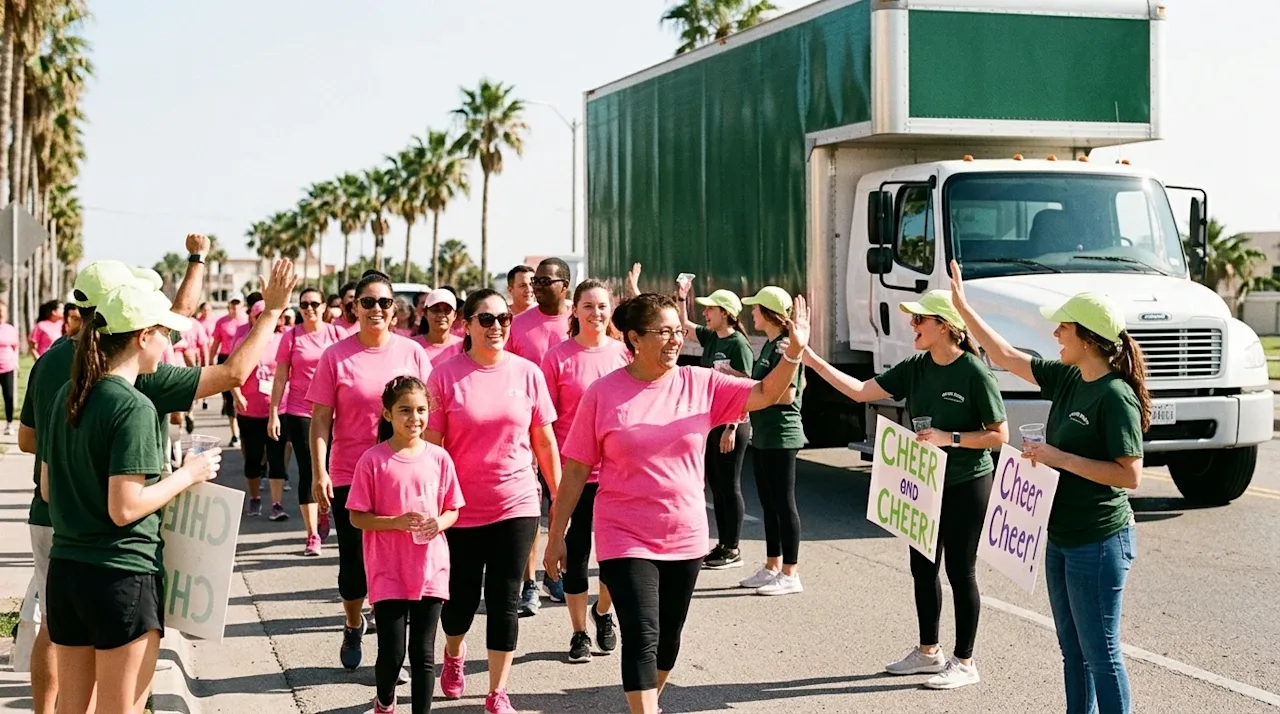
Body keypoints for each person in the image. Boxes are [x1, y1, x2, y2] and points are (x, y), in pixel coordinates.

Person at [544, 291, 811, 714]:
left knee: (668, 639)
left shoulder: (699, 382)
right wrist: (556, 536)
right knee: (642, 635)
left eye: (677, 331)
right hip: (623, 533)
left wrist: (793, 352)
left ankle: (651, 699)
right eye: (663, 332)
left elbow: (767, 393)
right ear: (633, 338)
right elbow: (576, 470)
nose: (674, 340)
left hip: (683, 536)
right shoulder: (603, 392)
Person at [949, 261, 1146, 713]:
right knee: (1072, 653)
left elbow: (1130, 475)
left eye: (1064, 327)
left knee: (1103, 655)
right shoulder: (1071, 377)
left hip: (1098, 542)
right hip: (1061, 539)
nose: (1056, 333)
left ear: (1089, 337)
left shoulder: (1115, 396)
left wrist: (1060, 459)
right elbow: (1003, 355)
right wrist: (964, 306)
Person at [804, 288, 1007, 688]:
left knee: (960, 571)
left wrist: (949, 438)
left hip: (967, 481)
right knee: (922, 567)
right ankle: (929, 652)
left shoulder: (973, 372)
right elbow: (861, 391)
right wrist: (809, 356)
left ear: (945, 327)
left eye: (919, 320)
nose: (911, 325)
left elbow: (998, 436)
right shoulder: (915, 366)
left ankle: (965, 662)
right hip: (924, 481)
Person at [39, 284, 222, 714]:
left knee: (71, 709)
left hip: (66, 573)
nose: (168, 347)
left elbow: (48, 490)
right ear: (143, 337)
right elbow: (124, 508)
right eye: (165, 335)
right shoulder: (134, 406)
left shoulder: (67, 396)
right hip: (120, 576)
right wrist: (186, 476)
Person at [426, 288, 561, 714]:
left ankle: (497, 692)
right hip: (461, 508)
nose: (498, 326)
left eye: (504, 319)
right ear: (467, 325)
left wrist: (559, 499)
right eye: (487, 319)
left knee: (505, 597)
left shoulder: (527, 373)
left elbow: (544, 441)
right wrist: (430, 505)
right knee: (461, 600)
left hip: (517, 502)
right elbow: (431, 445)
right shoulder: (445, 376)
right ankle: (453, 652)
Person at [308, 270, 433, 670]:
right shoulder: (336, 356)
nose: (376, 309)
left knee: (402, 562)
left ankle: (394, 650)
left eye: (383, 302)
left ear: (394, 309)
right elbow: (321, 420)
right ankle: (351, 621)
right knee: (354, 565)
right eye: (367, 302)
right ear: (354, 307)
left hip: (404, 472)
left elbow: (428, 413)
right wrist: (319, 471)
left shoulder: (412, 352)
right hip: (349, 472)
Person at [348, 376, 464, 714]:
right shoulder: (373, 460)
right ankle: (385, 702)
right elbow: (357, 517)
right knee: (392, 652)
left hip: (431, 567)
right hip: (388, 569)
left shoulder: (440, 458)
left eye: (421, 410)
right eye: (405, 411)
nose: (414, 418)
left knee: (424, 654)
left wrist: (438, 523)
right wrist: (394, 523)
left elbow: (453, 508)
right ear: (387, 414)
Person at [540, 279, 628, 663]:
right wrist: (551, 475)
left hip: (617, 473)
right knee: (575, 555)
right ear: (574, 310)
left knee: (615, 558)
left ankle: (603, 612)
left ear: (611, 311)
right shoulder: (557, 358)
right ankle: (578, 633)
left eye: (602, 306)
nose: (596, 313)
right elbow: (542, 421)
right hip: (572, 473)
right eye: (588, 306)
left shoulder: (625, 355)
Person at [507, 257, 573, 613]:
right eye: (535, 281)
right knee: (531, 507)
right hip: (530, 433)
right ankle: (529, 582)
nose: (537, 286)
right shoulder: (517, 326)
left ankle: (558, 571)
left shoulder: (578, 321)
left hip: (573, 434)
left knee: (563, 506)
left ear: (564, 284)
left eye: (545, 281)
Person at [674, 279, 753, 570]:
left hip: (732, 424)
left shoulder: (738, 344)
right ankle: (722, 545)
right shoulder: (712, 337)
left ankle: (733, 547)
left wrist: (731, 427)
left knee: (729, 486)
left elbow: (747, 388)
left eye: (711, 309)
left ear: (727, 313)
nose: (705, 313)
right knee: (717, 487)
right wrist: (683, 297)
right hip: (713, 421)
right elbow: (684, 324)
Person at [738, 286, 810, 596]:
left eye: (755, 308)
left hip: (782, 436)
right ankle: (772, 566)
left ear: (768, 312)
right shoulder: (769, 346)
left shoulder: (784, 346)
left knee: (784, 504)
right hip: (765, 435)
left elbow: (788, 394)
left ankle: (790, 573)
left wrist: (752, 388)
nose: (751, 312)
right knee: (768, 504)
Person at [270, 286, 344, 555]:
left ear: (324, 307)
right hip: (301, 412)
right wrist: (273, 412)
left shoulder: (337, 334)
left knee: (335, 470)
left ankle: (325, 509)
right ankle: (312, 533)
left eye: (314, 304)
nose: (309, 309)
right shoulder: (291, 337)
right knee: (309, 469)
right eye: (304, 305)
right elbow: (280, 378)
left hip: (337, 412)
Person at [231, 300, 289, 520]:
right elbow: (231, 373)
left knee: (276, 458)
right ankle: (255, 498)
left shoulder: (283, 339)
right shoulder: (244, 341)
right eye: (259, 315)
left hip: (277, 410)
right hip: (250, 411)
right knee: (253, 459)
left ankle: (276, 504)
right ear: (252, 318)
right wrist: (237, 395)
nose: (264, 319)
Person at [210, 297, 248, 447]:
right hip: (226, 359)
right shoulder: (222, 322)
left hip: (243, 359)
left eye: (237, 304)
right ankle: (235, 434)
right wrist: (211, 361)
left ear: (242, 305)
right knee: (230, 399)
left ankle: (244, 428)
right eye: (232, 304)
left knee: (243, 395)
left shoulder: (247, 321)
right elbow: (215, 343)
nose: (235, 307)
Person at [413, 288, 464, 364]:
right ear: (425, 313)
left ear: (455, 315)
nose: (441, 315)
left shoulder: (463, 347)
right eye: (435, 310)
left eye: (447, 310)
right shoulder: (412, 346)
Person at [0, 301, 17, 435]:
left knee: (9, 396)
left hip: (8, 367)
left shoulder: (10, 329)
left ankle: (9, 424)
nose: (1, 313)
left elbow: (15, 348)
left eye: (3, 311)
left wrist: (16, 363)